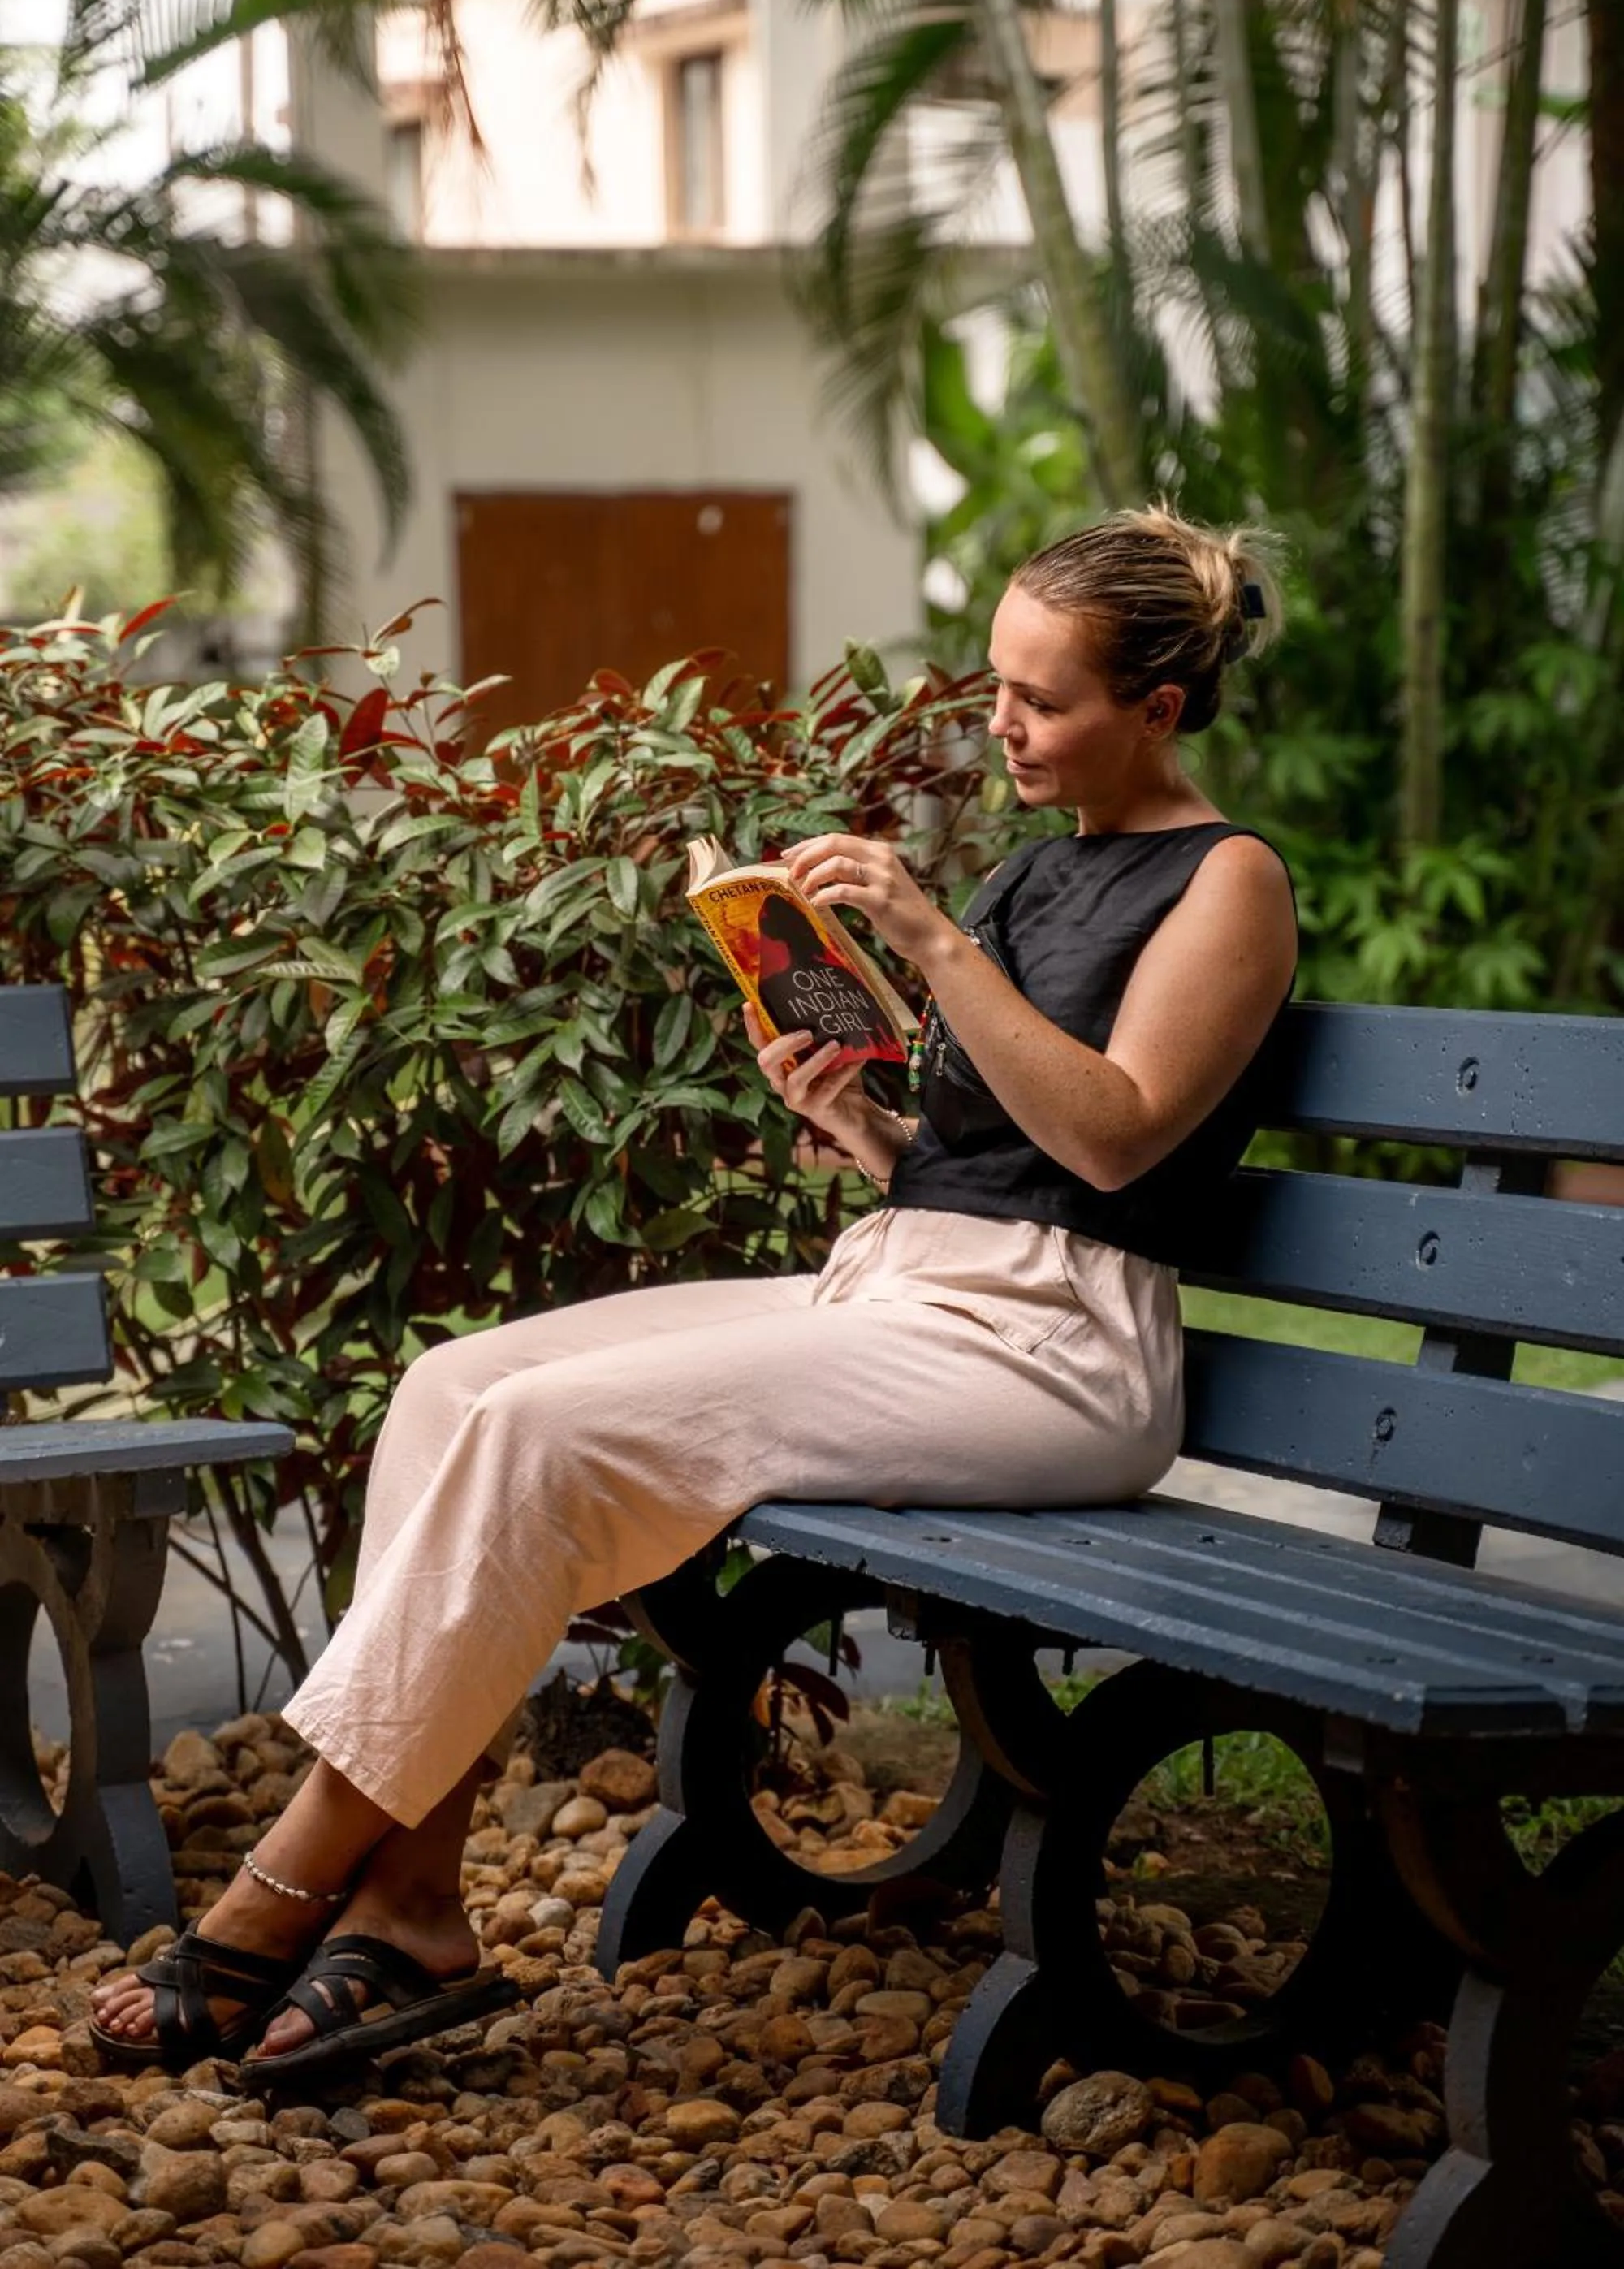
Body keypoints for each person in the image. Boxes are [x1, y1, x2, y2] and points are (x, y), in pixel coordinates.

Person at [92, 502, 1298, 2081]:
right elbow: (990, 1161)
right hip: (910, 1291)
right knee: (454, 1388)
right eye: (994, 686)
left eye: (1042, 700)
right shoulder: (1029, 877)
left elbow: (1120, 1140)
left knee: (539, 1438)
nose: (1001, 724)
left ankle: (286, 1886)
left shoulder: (1229, 883)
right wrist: (858, 1123)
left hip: (1058, 1355)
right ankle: (414, 1898)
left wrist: (932, 942)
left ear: (1157, 707)